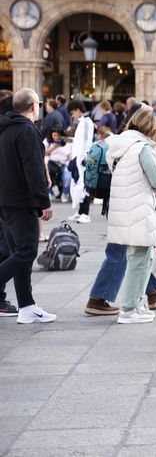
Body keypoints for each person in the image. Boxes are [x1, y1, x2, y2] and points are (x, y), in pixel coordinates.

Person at [104, 105, 156, 324]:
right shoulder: (142, 147)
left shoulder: (120, 144)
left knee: (138, 258)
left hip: (124, 208)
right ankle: (130, 308)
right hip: (139, 208)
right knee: (140, 261)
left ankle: (136, 305)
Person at [0, 88, 56, 324]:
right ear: (34, 106)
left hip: (5, 201)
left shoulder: (4, 130)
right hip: (21, 202)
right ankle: (27, 306)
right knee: (26, 253)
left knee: (18, 252)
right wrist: (44, 201)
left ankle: (27, 306)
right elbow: (32, 170)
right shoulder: (26, 131)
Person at [66, 100, 96, 224]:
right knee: (78, 184)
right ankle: (80, 212)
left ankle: (85, 213)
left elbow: (85, 142)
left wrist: (83, 158)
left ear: (78, 110)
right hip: (79, 157)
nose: (72, 116)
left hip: (82, 158)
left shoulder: (86, 122)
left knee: (83, 185)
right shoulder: (83, 121)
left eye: (73, 113)